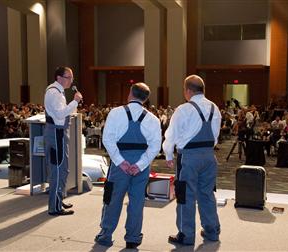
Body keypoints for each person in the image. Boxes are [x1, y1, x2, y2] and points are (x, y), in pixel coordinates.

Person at [94, 83, 161, 249]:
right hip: (141, 164)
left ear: (130, 93)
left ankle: (106, 235)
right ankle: (133, 238)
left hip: (120, 163)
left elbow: (107, 139)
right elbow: (155, 146)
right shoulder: (153, 119)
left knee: (112, 199)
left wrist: (120, 162)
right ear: (145, 99)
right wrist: (140, 165)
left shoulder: (116, 113)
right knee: (137, 202)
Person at [163, 75, 221, 246]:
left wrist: (168, 154)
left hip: (189, 157)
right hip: (209, 157)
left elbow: (171, 134)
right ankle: (212, 231)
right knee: (207, 194)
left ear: (188, 90)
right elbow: (216, 136)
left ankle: (186, 235)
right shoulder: (214, 108)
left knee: (185, 195)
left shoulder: (183, 109)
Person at [44, 66, 83, 216]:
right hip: (56, 133)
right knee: (58, 170)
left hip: (59, 132)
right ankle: (54, 206)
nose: (71, 81)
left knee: (63, 168)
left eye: (72, 78)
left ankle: (58, 200)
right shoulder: (54, 93)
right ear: (59, 78)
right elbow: (60, 114)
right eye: (69, 77)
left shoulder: (58, 91)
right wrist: (75, 102)